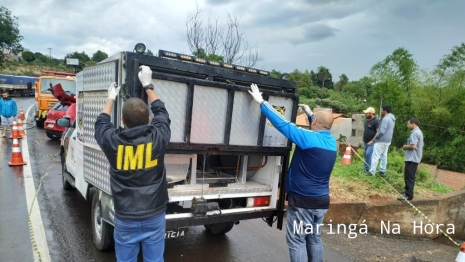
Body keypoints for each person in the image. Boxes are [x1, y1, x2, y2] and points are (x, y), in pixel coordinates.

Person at [249, 84, 337, 262]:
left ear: (314, 124)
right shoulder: (332, 143)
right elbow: (320, 127)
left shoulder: (308, 138)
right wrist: (311, 114)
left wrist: (262, 102)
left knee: (296, 241)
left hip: (303, 201)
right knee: (314, 238)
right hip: (321, 202)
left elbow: (283, 125)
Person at [94, 65, 171, 262]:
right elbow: (162, 113)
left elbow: (101, 123)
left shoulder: (112, 141)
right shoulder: (158, 137)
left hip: (125, 216)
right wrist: (148, 85)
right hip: (154, 215)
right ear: (148, 120)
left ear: (121, 119)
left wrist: (111, 97)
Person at [398, 118, 424, 201]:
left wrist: (405, 146)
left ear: (413, 124)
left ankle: (408, 195)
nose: (407, 125)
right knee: (408, 175)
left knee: (409, 177)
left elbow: (413, 146)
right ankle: (407, 191)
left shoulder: (415, 133)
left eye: (408, 124)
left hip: (412, 158)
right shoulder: (418, 132)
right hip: (413, 158)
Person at [368, 105, 395, 177]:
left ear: (385, 111)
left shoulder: (386, 119)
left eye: (382, 110)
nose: (381, 111)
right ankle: (382, 171)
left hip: (381, 140)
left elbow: (382, 131)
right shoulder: (392, 119)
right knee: (384, 156)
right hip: (388, 141)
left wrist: (375, 138)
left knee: (375, 156)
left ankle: (372, 172)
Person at [362, 107, 380, 172]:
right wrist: (363, 136)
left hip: (372, 142)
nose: (365, 114)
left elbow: (378, 132)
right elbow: (365, 129)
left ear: (371, 113)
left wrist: (372, 141)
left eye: (367, 113)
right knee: (366, 155)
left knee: (368, 154)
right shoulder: (366, 121)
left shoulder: (376, 121)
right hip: (365, 141)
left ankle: (367, 169)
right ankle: (367, 168)